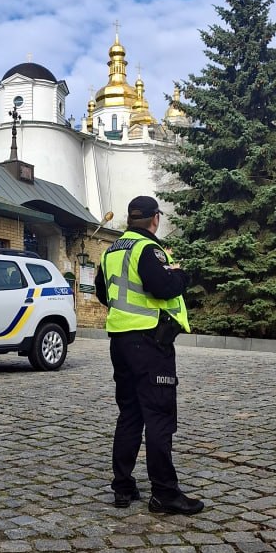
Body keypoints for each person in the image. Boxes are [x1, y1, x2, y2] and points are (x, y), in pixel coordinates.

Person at [95, 195, 205, 515]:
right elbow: (163, 287)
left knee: (130, 414)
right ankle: (165, 493)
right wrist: (180, 274)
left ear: (131, 219)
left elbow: (103, 293)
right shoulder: (148, 249)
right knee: (159, 416)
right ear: (155, 218)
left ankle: (123, 486)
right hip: (150, 343)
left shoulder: (111, 251)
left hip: (120, 341)